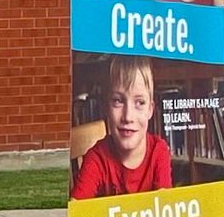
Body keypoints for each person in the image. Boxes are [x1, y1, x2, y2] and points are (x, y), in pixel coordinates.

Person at [71, 57, 173, 199]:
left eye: (140, 102)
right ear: (106, 107)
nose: (128, 116)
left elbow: (164, 210)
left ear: (150, 110)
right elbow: (76, 214)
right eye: (118, 101)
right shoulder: (96, 159)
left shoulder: (159, 151)